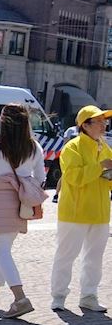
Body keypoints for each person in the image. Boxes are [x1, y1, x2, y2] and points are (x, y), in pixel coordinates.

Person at [0, 104, 47, 319]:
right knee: (4, 250)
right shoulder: (34, 147)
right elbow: (41, 178)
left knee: (1, 251)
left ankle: (20, 298)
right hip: (20, 205)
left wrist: (0, 181)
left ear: (3, 122)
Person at [50, 105, 112, 313]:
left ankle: (89, 296)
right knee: (66, 255)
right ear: (84, 125)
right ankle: (58, 296)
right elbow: (74, 177)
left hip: (100, 212)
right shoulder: (72, 147)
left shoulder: (104, 147)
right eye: (99, 121)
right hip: (74, 212)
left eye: (104, 120)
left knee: (94, 258)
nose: (104, 124)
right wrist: (101, 167)